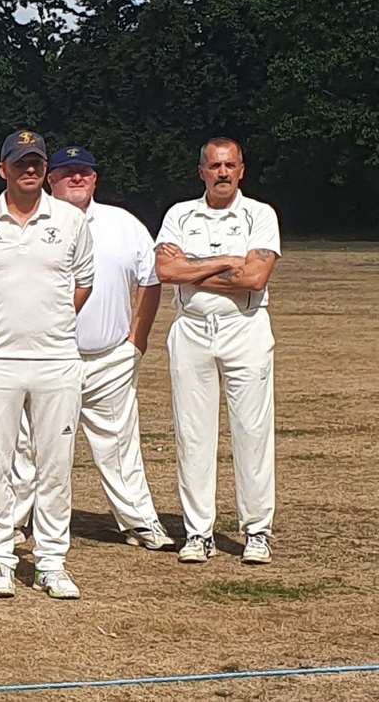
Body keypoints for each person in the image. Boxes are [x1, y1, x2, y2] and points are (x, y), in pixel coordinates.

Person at [20, 147, 172, 552]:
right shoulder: (33, 222)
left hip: (110, 357)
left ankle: (140, 523)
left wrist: (137, 338)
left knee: (120, 444)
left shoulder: (123, 224)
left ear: (95, 178)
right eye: (68, 172)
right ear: (51, 179)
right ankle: (15, 522)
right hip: (49, 354)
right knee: (30, 445)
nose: (76, 178)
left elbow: (152, 279)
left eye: (84, 171)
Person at [0, 130, 94, 600]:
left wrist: (48, 326)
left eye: (37, 162)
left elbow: (83, 284)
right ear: (4, 170)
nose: (30, 169)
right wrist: (4, 328)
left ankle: (51, 562)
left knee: (55, 466)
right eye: (20, 163)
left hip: (57, 361)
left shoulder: (71, 221)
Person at [154, 137, 281, 565]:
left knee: (252, 431)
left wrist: (194, 271)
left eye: (229, 165)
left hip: (244, 327)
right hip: (192, 329)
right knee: (193, 433)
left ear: (241, 170)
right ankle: (198, 531)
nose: (222, 173)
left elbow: (255, 278)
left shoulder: (259, 215)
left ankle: (257, 530)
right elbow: (167, 270)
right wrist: (226, 261)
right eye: (214, 166)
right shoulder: (179, 215)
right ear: (202, 171)